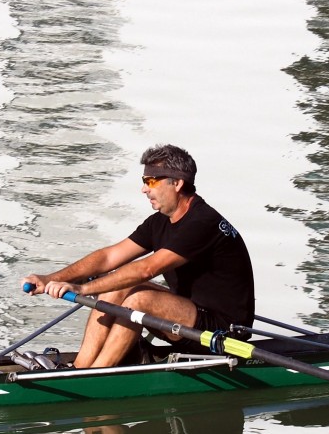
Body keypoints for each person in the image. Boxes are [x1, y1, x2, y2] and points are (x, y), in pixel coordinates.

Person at [22, 144, 254, 368]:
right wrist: (50, 278)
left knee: (139, 300)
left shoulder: (202, 223)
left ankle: (95, 377)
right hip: (189, 313)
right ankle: (79, 367)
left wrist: (81, 289)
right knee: (115, 286)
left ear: (177, 183)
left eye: (150, 181)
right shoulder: (159, 223)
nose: (144, 189)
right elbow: (108, 257)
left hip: (224, 332)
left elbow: (147, 269)